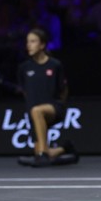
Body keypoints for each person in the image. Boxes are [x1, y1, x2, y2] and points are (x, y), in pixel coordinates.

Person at [17, 28, 78, 167]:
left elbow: (64, 89)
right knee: (40, 152)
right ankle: (65, 149)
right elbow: (25, 91)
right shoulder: (24, 68)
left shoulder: (55, 65)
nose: (29, 45)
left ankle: (43, 154)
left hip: (53, 108)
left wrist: (61, 105)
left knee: (37, 111)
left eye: (33, 41)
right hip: (34, 114)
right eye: (27, 42)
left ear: (42, 45)